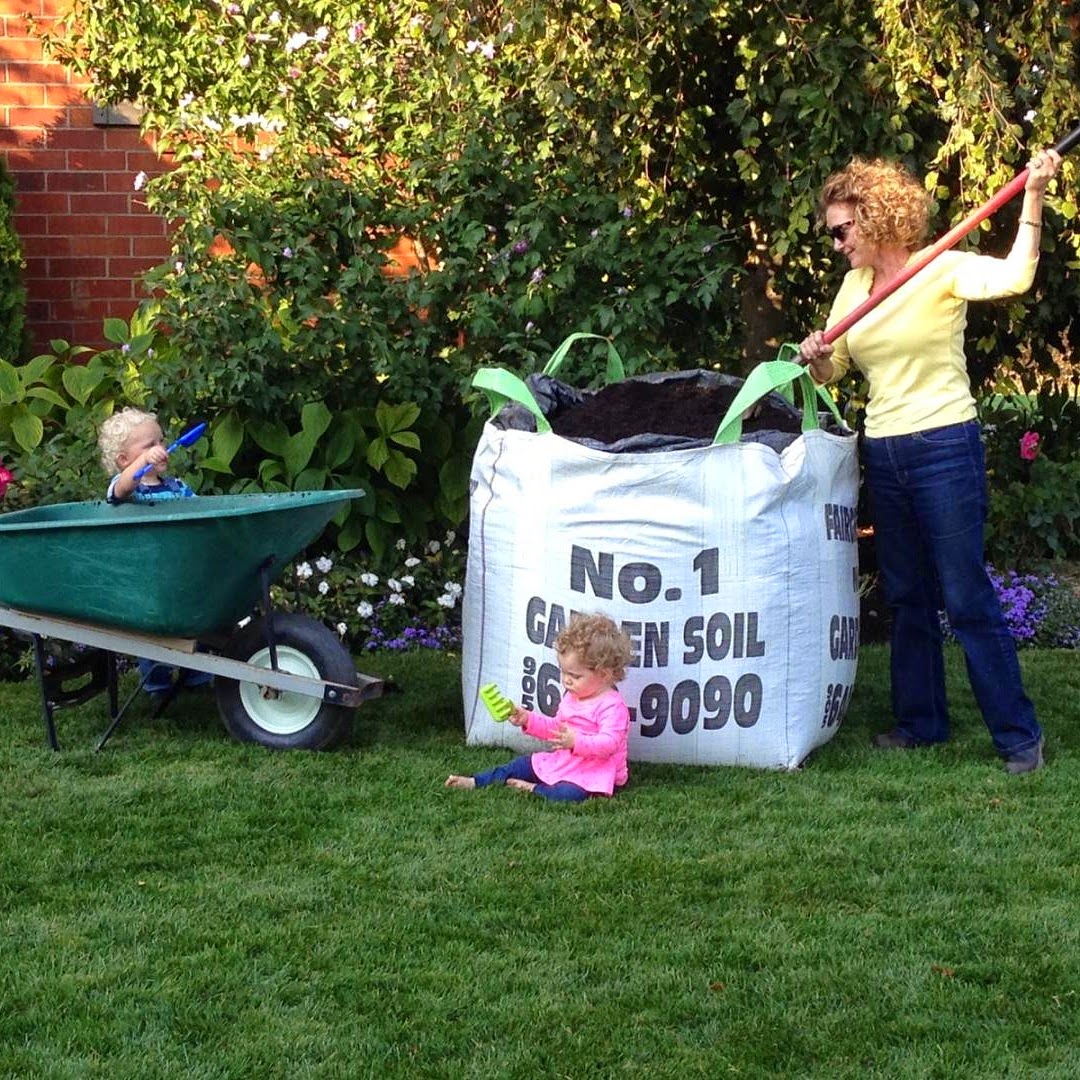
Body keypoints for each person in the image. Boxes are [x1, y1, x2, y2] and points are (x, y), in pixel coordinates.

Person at [798, 147, 1062, 774]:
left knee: (966, 594)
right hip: (884, 450)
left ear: (877, 217)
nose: (836, 243)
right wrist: (817, 356)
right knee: (908, 594)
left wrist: (1032, 194)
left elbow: (1015, 276)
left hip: (945, 445)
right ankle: (922, 723)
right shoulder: (853, 287)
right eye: (832, 233)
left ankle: (1018, 737)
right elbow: (838, 366)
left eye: (843, 230)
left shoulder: (940, 267)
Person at [446, 613, 634, 801]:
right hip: (565, 761)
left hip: (594, 771)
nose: (566, 680)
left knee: (569, 794)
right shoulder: (573, 696)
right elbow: (555, 730)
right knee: (520, 765)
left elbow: (609, 744)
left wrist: (576, 742)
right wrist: (527, 719)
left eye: (575, 676)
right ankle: (475, 781)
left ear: (604, 674)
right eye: (564, 672)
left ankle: (535, 789)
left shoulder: (613, 707)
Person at [97, 407, 212, 695]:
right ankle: (156, 681)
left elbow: (202, 512)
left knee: (190, 624)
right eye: (150, 446)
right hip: (146, 573)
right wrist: (143, 464)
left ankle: (195, 675)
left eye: (160, 442)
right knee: (152, 630)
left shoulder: (176, 487)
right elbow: (123, 485)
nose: (160, 449)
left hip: (180, 567)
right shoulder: (127, 489)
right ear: (124, 459)